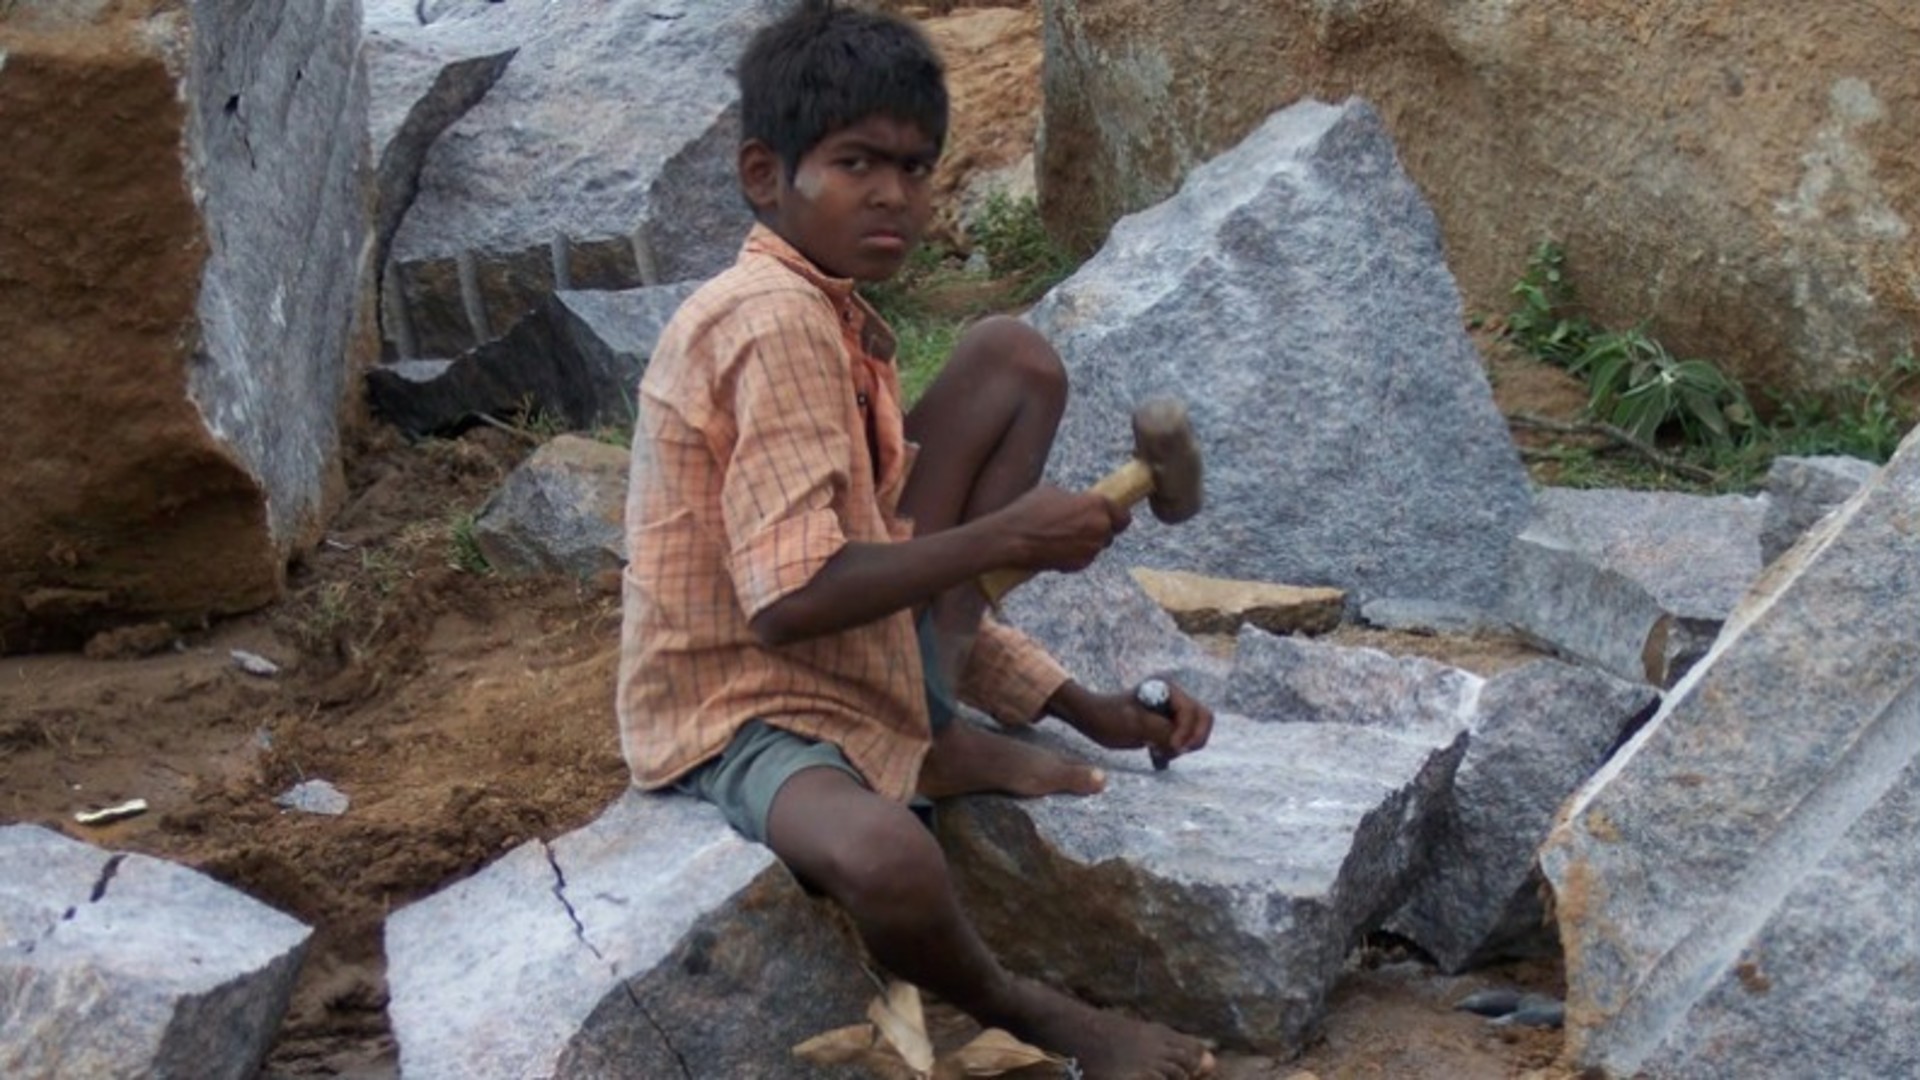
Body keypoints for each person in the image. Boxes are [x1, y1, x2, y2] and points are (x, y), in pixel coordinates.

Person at [616, 3, 1216, 1075]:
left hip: (850, 654)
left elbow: (884, 545)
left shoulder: (832, 315)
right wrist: (1004, 535)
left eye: (916, 167)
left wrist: (1083, 708)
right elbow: (792, 602)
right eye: (856, 163)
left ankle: (924, 725)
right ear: (765, 175)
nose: (895, 194)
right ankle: (1028, 1009)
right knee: (890, 859)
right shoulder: (770, 322)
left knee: (1012, 361)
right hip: (745, 705)